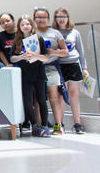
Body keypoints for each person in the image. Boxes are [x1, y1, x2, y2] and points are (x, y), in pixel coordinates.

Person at [10, 15, 51, 137]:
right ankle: (34, 125)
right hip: (25, 75)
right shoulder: (17, 41)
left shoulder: (39, 39)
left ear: (32, 26)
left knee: (42, 100)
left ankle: (44, 125)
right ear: (19, 27)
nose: (25, 26)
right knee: (27, 102)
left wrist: (35, 55)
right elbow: (12, 57)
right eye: (22, 25)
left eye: (27, 24)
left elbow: (46, 57)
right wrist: (21, 56)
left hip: (39, 73)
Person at [54, 7, 89, 134]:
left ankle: (77, 123)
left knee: (74, 94)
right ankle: (60, 123)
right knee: (62, 95)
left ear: (68, 18)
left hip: (73, 64)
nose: (61, 19)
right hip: (60, 66)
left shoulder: (75, 32)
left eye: (64, 16)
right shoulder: (53, 33)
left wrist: (84, 68)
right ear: (55, 19)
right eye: (59, 17)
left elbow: (81, 51)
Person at [34, 7, 69, 135]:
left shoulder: (55, 33)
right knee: (38, 98)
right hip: (36, 69)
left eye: (43, 17)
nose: (41, 20)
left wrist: (53, 52)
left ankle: (58, 125)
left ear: (48, 19)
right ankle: (39, 126)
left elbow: (65, 51)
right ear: (34, 19)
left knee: (54, 97)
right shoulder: (32, 33)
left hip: (51, 68)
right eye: (38, 17)